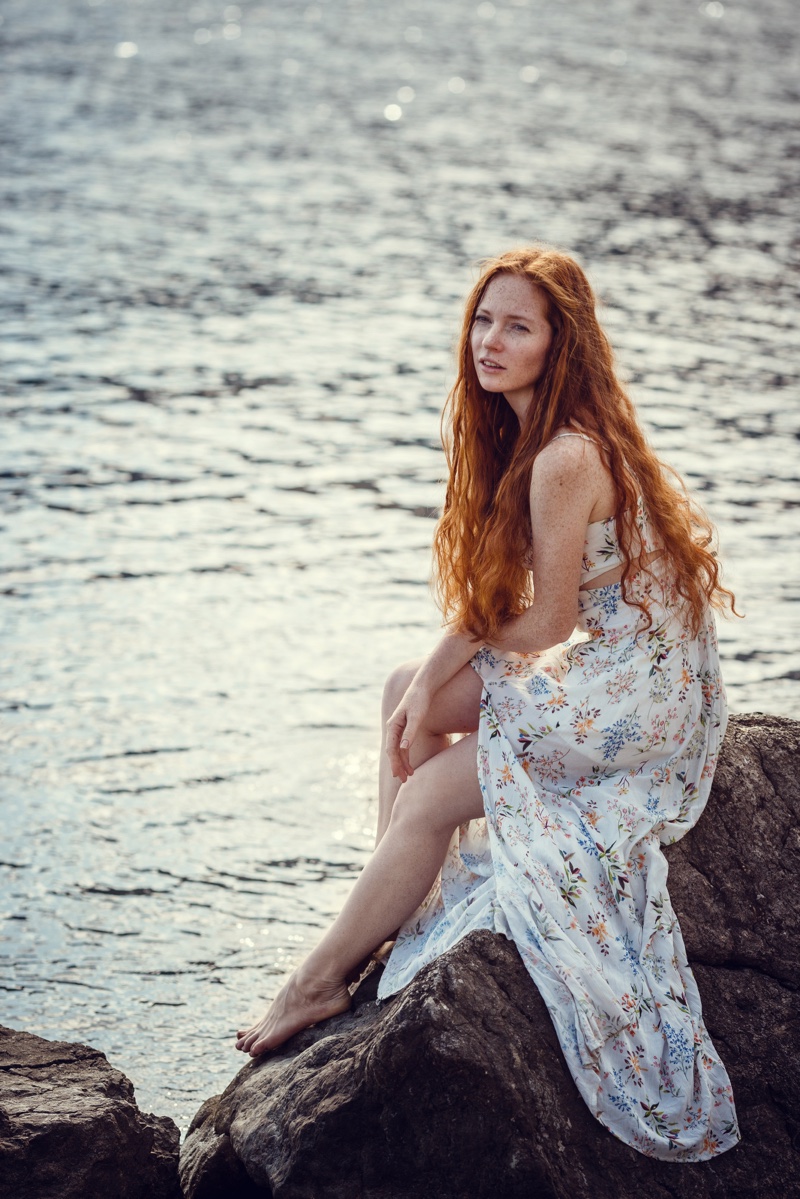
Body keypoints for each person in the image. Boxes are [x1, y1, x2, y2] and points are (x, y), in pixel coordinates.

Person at [235, 246, 740, 1161]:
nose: (490, 341)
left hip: (635, 700)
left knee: (426, 789)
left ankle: (318, 978)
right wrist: (427, 678)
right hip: (618, 671)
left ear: (560, 344)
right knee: (400, 691)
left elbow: (545, 623)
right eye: (482, 319)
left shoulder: (564, 455)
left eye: (518, 326)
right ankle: (396, 917)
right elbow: (508, 608)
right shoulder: (529, 438)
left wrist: (443, 674)